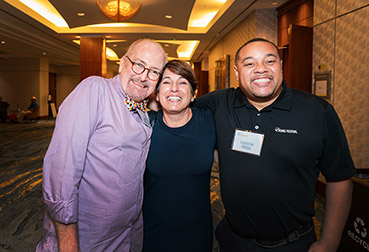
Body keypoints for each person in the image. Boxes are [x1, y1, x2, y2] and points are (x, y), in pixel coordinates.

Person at [193, 38, 356, 252]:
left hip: (295, 243)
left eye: (269, 61)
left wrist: (329, 243)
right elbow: (177, 107)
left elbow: (340, 179)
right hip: (235, 242)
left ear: (281, 65)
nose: (261, 69)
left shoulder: (317, 112)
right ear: (236, 71)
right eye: (249, 63)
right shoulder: (220, 103)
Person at [36, 38, 167, 252]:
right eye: (139, 65)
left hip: (126, 234)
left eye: (154, 72)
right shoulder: (95, 90)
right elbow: (62, 169)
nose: (144, 76)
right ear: (122, 62)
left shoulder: (143, 109)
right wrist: (68, 244)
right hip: (86, 237)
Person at [142, 60, 216, 252]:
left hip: (198, 234)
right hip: (152, 234)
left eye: (183, 82)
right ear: (157, 94)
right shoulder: (144, 126)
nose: (174, 89)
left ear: (193, 94)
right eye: (166, 82)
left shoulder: (210, 120)